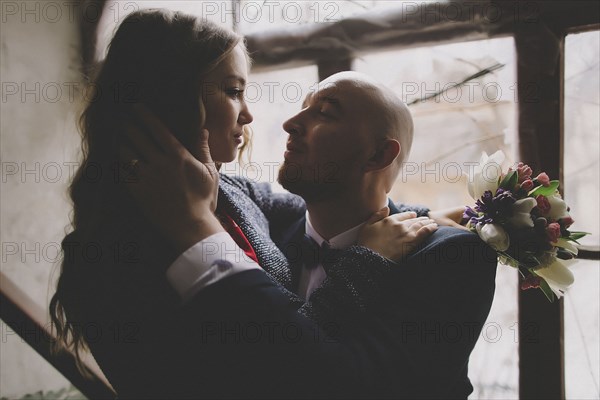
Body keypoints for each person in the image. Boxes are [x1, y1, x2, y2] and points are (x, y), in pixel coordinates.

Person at [50, 9, 445, 398]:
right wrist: (367, 260)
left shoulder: (233, 195)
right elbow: (285, 373)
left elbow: (339, 202)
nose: (249, 115)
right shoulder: (107, 257)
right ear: (172, 95)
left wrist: (462, 220)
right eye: (233, 91)